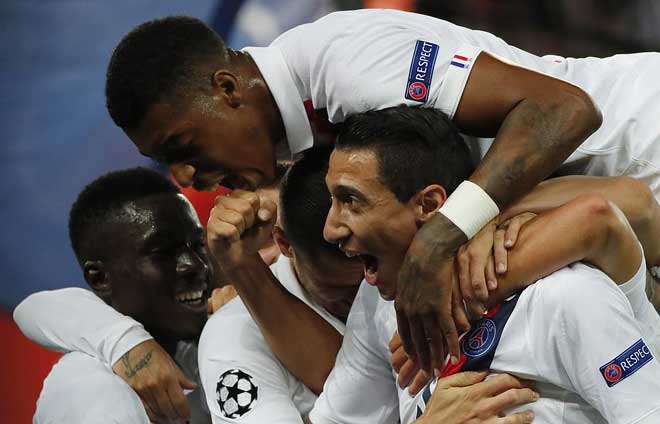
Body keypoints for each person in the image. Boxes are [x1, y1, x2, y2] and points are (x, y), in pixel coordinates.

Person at [105, 10, 625, 372]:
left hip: (638, 145)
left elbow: (564, 109)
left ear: (226, 88)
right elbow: (345, 391)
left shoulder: (345, 66)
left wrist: (439, 240)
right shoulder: (316, 139)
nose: (184, 177)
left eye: (182, 146)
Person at [309, 107, 660, 423]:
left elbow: (601, 216)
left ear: (429, 205)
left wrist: (486, 219)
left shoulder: (564, 296)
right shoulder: (378, 303)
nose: (329, 229)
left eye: (351, 200)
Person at [14, 168, 217, 423]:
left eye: (198, 245)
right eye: (162, 252)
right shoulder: (92, 392)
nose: (196, 264)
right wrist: (125, 342)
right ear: (100, 278)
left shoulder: (199, 348)